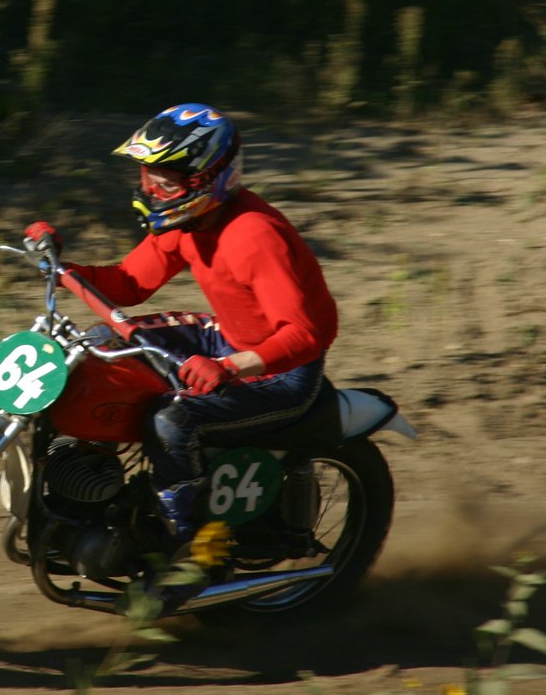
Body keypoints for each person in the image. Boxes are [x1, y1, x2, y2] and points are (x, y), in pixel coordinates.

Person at [25, 102, 338, 545]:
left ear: (208, 180)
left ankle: (190, 547)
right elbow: (129, 283)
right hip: (225, 338)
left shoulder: (254, 237)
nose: (151, 191)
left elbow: (303, 336)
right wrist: (61, 267)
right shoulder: (187, 222)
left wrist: (228, 367)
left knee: (171, 420)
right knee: (94, 349)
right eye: (147, 177)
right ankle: (82, 489)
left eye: (165, 183)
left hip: (280, 370)